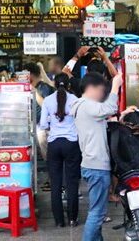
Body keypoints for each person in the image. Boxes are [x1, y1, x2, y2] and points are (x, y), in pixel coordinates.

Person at [71, 71, 123, 241]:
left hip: (91, 165)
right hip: (96, 166)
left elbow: (102, 120)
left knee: (97, 212)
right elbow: (109, 108)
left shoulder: (82, 107)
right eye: (102, 91)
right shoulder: (86, 105)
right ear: (92, 88)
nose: (103, 95)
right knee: (97, 213)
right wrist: (115, 86)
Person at [39, 73, 80, 228]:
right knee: (72, 182)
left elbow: (43, 125)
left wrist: (52, 124)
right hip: (71, 144)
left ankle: (58, 221)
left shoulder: (48, 101)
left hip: (54, 144)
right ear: (69, 85)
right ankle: (72, 218)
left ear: (54, 85)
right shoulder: (75, 100)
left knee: (55, 183)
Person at [25, 62, 56, 162]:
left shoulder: (43, 87)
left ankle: (52, 174)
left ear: (31, 75)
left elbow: (46, 105)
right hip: (35, 125)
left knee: (47, 155)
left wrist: (33, 91)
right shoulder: (35, 88)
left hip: (43, 127)